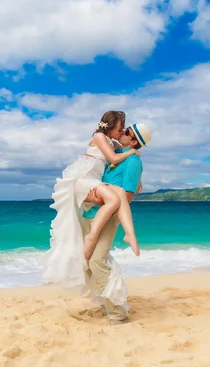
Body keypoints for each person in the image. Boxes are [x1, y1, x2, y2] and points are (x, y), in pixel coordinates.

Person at [42, 111, 139, 300]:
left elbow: (124, 157)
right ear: (109, 125)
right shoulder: (99, 136)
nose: (121, 132)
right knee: (113, 199)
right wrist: (133, 151)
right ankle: (92, 236)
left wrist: (136, 171)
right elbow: (113, 158)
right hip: (84, 179)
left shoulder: (113, 141)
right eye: (120, 128)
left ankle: (119, 236)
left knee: (115, 197)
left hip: (94, 181)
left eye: (123, 130)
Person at [81, 123, 152, 323]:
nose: (122, 132)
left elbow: (126, 197)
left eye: (126, 132)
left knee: (97, 261)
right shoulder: (120, 155)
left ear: (134, 140)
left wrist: (98, 199)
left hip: (108, 216)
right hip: (92, 214)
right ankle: (107, 303)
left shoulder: (133, 163)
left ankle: (118, 311)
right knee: (87, 262)